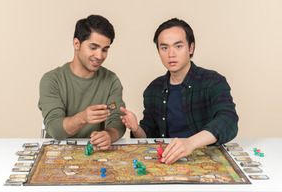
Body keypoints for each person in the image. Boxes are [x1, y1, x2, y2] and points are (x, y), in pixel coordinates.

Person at [120, 18, 238, 164]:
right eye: (164, 48)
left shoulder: (213, 81)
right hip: (169, 161)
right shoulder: (153, 89)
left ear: (191, 48)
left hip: (206, 161)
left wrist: (190, 143)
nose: (171, 54)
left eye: (178, 46)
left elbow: (228, 120)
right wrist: (136, 128)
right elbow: (149, 135)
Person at [38, 15, 126, 150]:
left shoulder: (111, 81)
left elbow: (117, 120)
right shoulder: (51, 80)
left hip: (96, 153)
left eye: (105, 49)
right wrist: (83, 118)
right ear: (76, 44)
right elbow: (55, 129)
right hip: (58, 153)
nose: (100, 56)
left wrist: (109, 135)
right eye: (93, 47)